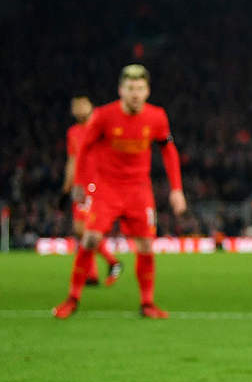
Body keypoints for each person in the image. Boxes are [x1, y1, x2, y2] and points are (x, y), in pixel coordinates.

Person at [54, 66, 186, 319]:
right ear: (121, 90)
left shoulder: (157, 117)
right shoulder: (104, 116)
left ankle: (147, 303)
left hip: (139, 190)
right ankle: (72, 299)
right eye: (130, 89)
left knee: (146, 245)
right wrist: (80, 183)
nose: (135, 94)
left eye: (139, 89)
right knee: (90, 239)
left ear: (147, 91)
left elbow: (169, 151)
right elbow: (84, 148)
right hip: (107, 189)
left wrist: (176, 189)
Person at [62, 95, 122, 287]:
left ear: (91, 106)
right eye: (75, 106)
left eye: (82, 105)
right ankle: (95, 272)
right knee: (82, 231)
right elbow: (72, 160)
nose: (79, 109)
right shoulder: (73, 132)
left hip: (97, 183)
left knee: (85, 229)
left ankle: (111, 262)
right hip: (81, 185)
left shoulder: (101, 125)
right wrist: (67, 186)